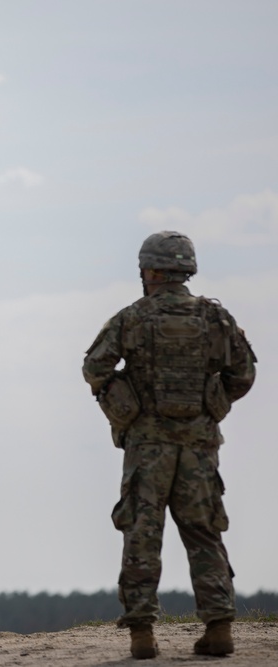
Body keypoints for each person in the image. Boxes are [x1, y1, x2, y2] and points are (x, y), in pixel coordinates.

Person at [83, 231, 256, 659]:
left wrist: (127, 409)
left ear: (149, 271)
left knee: (142, 532)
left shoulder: (133, 317)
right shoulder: (216, 319)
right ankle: (219, 627)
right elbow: (244, 374)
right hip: (199, 446)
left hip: (148, 445)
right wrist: (209, 407)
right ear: (186, 270)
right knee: (204, 532)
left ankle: (142, 634)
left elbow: (95, 367)